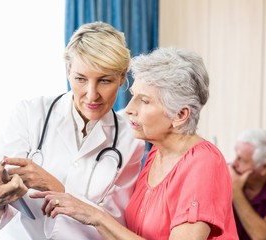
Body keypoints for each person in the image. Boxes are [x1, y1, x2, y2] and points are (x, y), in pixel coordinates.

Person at [31, 47, 239, 239]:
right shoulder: (155, 155)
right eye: (133, 96)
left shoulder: (204, 163)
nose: (129, 108)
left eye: (145, 100)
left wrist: (95, 215)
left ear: (180, 114)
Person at [0, 21, 145, 240]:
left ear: (122, 77)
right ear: (68, 71)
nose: (92, 95)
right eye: (81, 79)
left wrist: (56, 188)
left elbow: (112, 230)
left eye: (104, 80)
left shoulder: (130, 140)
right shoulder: (29, 114)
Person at [228, 129, 266, 240]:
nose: (234, 163)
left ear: (264, 168)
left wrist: (235, 191)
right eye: (236, 156)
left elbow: (262, 236)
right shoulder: (230, 172)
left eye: (242, 160)